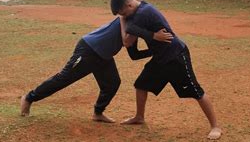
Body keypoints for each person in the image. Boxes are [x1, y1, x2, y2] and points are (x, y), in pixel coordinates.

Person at [110, 0, 222, 139]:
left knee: (196, 91)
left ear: (129, 5)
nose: (124, 16)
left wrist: (124, 21)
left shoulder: (144, 13)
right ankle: (139, 117)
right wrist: (148, 33)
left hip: (175, 56)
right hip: (160, 57)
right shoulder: (138, 11)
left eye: (124, 13)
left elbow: (127, 41)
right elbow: (132, 37)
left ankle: (215, 126)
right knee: (141, 85)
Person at [20, 17, 173, 122]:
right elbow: (126, 35)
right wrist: (153, 37)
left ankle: (98, 113)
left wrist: (154, 51)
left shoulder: (136, 30)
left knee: (112, 83)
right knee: (63, 79)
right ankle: (29, 98)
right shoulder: (129, 20)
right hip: (89, 49)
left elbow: (134, 54)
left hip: (104, 56)